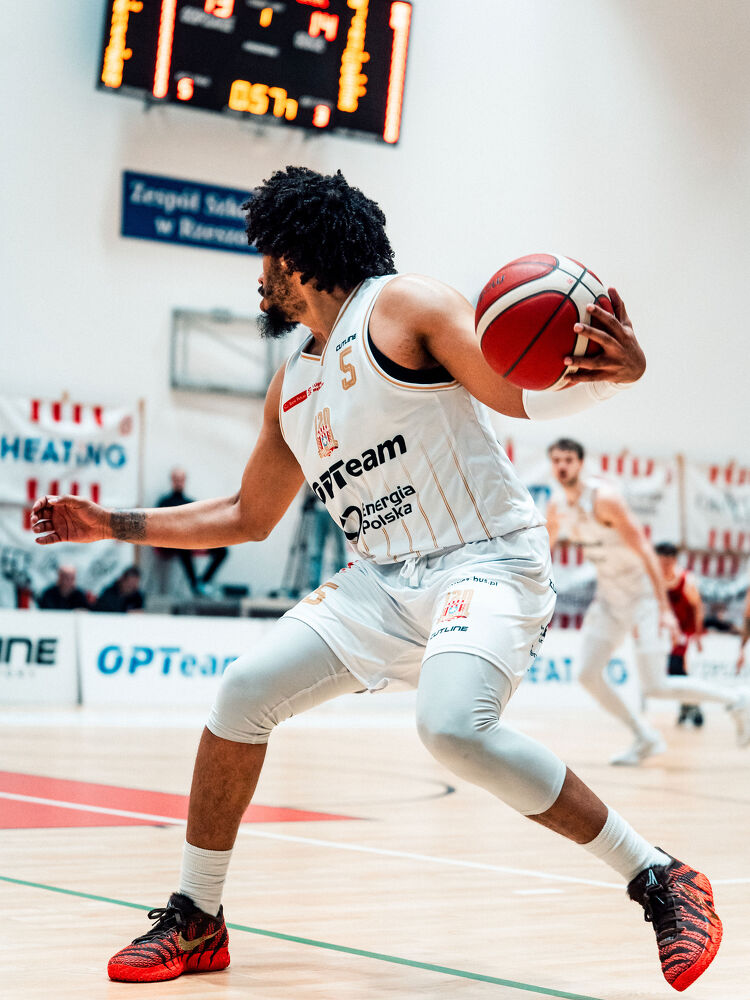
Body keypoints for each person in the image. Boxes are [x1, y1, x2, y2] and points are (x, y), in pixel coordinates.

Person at [30, 167, 722, 992]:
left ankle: (658, 876)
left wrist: (612, 379)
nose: (258, 276)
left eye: (264, 256)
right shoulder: (292, 386)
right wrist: (112, 524)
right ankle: (197, 916)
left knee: (453, 728)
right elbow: (248, 515)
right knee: (242, 695)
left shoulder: (403, 307)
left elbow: (517, 395)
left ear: (296, 257)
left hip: (485, 558)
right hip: (383, 582)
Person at [546, 440, 749, 765]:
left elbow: (645, 551)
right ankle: (645, 736)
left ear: (581, 463)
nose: (562, 466)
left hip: (642, 599)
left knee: (656, 685)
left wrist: (665, 610)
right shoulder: (557, 506)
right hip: (608, 600)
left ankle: (736, 699)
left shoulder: (605, 499)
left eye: (568, 459)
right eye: (556, 460)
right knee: (586, 674)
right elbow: (546, 550)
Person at [654, 542, 704, 727]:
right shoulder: (654, 578)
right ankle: (687, 705)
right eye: (661, 563)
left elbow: (697, 606)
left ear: (674, 561)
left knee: (676, 668)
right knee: (670, 672)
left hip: (683, 631)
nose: (664, 567)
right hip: (664, 633)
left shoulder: (685, 580)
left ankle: (692, 704)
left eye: (668, 563)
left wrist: (697, 634)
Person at [157, 468, 228, 596]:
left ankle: (202, 582)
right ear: (172, 480)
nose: (179, 482)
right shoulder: (164, 502)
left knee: (222, 550)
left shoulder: (191, 502)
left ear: (185, 481)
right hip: (171, 543)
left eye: (181, 479)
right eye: (176, 479)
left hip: (190, 539)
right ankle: (194, 584)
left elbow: (200, 523)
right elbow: (159, 525)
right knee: (183, 546)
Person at [737, 588, 750, 673]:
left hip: (747, 617)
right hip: (748, 618)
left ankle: (739, 664)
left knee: (742, 646)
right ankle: (739, 665)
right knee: (742, 645)